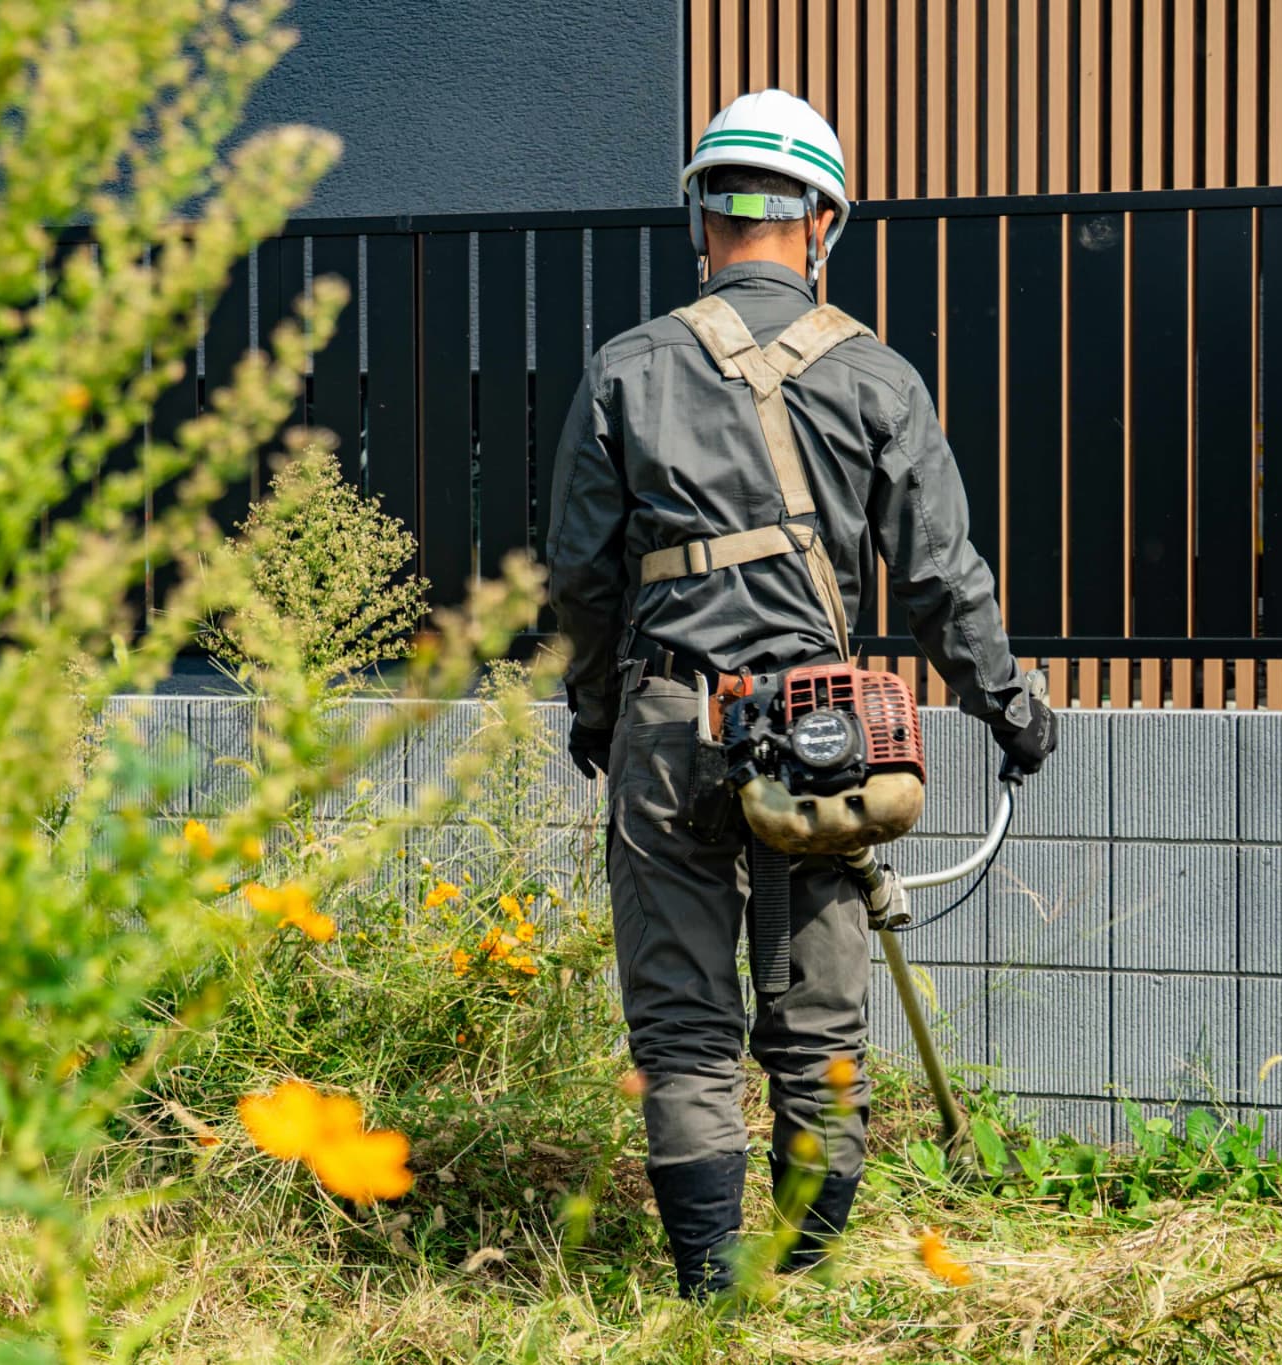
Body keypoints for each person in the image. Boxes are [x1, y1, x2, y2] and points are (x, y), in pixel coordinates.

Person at [544, 89, 1056, 1298]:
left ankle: (710, 1291)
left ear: (700, 218)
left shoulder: (627, 368)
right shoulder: (874, 376)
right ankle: (799, 1280)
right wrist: (1008, 709)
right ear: (822, 218)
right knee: (817, 1024)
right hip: (819, 734)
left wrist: (601, 713)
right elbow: (941, 578)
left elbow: (577, 573)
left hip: (669, 725)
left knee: (681, 1027)